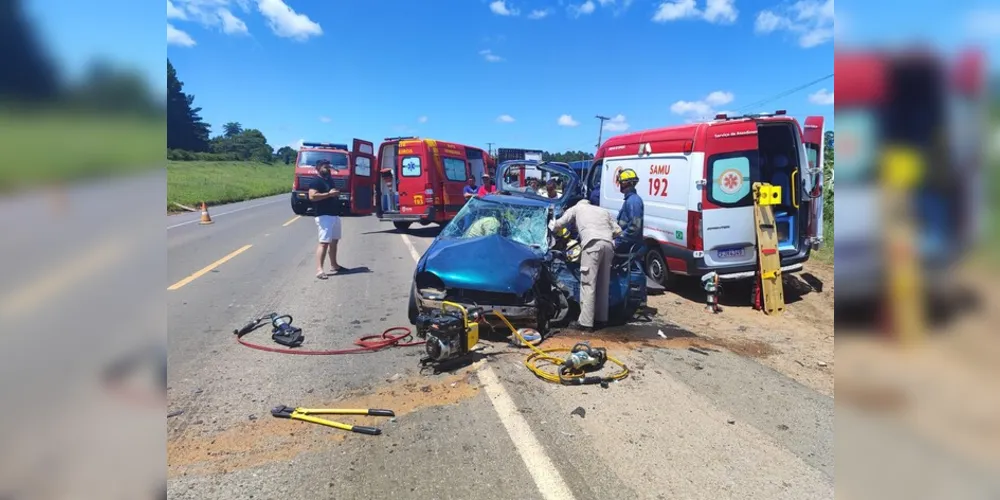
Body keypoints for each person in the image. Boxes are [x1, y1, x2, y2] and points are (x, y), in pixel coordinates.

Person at [548, 198, 622, 332]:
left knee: (588, 284)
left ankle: (585, 323)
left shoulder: (577, 208)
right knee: (603, 283)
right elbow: (618, 231)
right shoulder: (602, 210)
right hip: (608, 245)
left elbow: (559, 224)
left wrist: (552, 225)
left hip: (592, 244)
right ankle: (601, 319)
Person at [308, 159, 345, 279]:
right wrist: (329, 194)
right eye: (324, 167)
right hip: (324, 216)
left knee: (334, 241)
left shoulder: (329, 180)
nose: (327, 169)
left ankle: (334, 265)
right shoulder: (316, 182)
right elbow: (312, 196)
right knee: (324, 243)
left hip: (334, 214)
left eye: (328, 167)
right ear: (317, 168)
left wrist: (335, 193)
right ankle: (319, 270)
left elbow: (331, 193)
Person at [614, 168, 644, 253]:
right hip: (626, 243)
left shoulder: (633, 201)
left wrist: (618, 241)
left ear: (625, 184)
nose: (620, 185)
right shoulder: (630, 200)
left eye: (621, 183)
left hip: (628, 246)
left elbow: (634, 227)